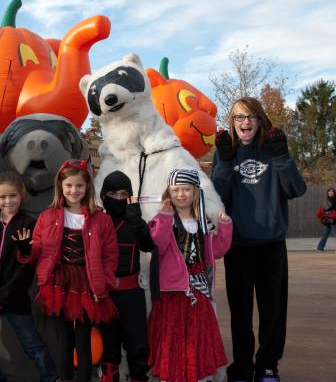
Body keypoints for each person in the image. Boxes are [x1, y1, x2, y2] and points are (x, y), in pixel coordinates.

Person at [211, 97, 307, 382]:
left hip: (270, 244)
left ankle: (267, 365)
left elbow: (296, 189)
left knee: (272, 313)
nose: (245, 123)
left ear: (261, 120)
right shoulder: (225, 151)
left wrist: (281, 158)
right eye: (239, 117)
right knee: (240, 313)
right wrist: (226, 163)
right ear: (233, 122)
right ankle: (241, 366)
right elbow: (217, 197)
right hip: (237, 246)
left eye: (251, 117)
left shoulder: (272, 150)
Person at [17, 159, 119, 382]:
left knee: (83, 341)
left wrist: (105, 283)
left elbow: (110, 256)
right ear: (61, 187)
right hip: (58, 284)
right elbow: (37, 250)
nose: (74, 190)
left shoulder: (101, 219)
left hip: (87, 282)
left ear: (87, 188)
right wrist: (26, 249)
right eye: (69, 186)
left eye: (79, 186)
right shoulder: (48, 216)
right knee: (64, 339)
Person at [0, 171, 57, 382]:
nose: (8, 201)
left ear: (21, 196)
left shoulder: (30, 225)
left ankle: (51, 377)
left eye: (12, 196)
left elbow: (27, 268)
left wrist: (4, 296)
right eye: (3, 197)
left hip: (14, 296)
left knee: (32, 344)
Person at [147, 169, 232, 382]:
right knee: (173, 337)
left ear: (195, 192)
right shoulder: (163, 219)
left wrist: (225, 227)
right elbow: (158, 245)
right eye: (175, 190)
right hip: (173, 291)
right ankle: (172, 376)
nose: (181, 194)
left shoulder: (203, 222)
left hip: (199, 288)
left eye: (186, 190)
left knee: (197, 336)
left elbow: (217, 251)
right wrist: (165, 217)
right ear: (169, 192)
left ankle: (197, 375)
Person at [98, 171, 153, 382]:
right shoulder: (98, 221)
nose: (119, 199)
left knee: (138, 344)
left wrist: (138, 223)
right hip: (105, 295)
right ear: (104, 196)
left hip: (132, 294)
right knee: (108, 344)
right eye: (113, 194)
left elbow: (149, 246)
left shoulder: (135, 221)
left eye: (124, 194)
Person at [316, 188, 336, 253]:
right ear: (327, 193)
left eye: (332, 191)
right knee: (325, 234)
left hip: (333, 219)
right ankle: (320, 247)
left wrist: (325, 210)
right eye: (329, 192)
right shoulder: (327, 200)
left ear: (334, 193)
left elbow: (333, 207)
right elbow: (325, 207)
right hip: (327, 219)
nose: (330, 193)